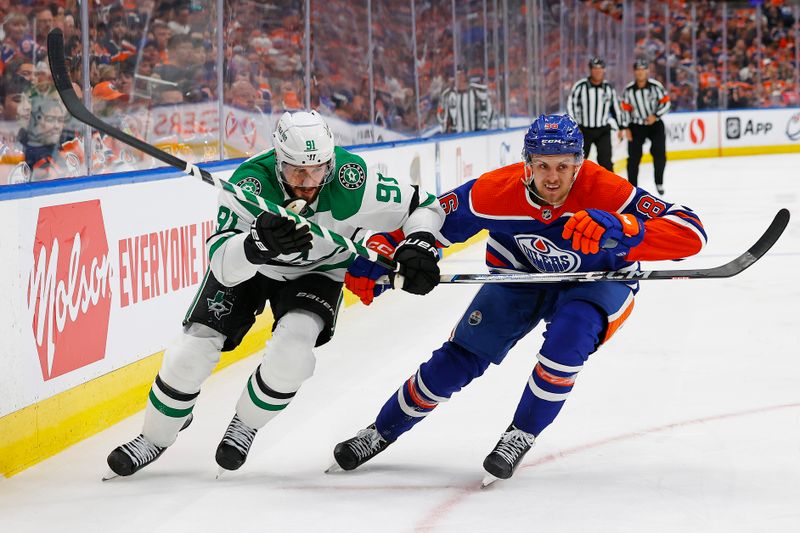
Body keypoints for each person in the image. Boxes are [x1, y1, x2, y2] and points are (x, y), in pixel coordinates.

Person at [331, 114, 706, 483]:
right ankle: (380, 431)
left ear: (580, 163)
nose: (553, 177)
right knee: (457, 359)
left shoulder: (607, 190)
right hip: (519, 279)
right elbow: (427, 222)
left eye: (563, 166)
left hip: (595, 283)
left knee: (569, 338)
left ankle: (520, 433)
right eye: (542, 165)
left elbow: (691, 232)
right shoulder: (494, 190)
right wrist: (383, 253)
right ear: (525, 163)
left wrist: (624, 228)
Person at [106, 110, 446, 477]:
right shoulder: (250, 185)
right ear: (278, 160)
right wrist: (254, 246)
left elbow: (423, 206)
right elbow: (221, 262)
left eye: (317, 170)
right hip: (251, 266)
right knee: (190, 353)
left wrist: (421, 242)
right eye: (297, 171)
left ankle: (246, 424)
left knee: (292, 356)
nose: (308, 183)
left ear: (331, 162)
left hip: (317, 271)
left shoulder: (351, 181)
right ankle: (155, 437)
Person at [619, 59, 671, 195]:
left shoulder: (656, 86)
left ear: (647, 71)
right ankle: (632, 189)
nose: (641, 72)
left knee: (659, 153)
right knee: (634, 158)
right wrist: (626, 128)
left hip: (655, 124)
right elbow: (624, 110)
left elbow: (666, 103)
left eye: (643, 69)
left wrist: (656, 115)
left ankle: (659, 182)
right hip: (636, 126)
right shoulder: (629, 90)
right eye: (638, 70)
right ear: (635, 72)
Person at [566, 56, 623, 171]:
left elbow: (615, 108)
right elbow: (571, 106)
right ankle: (576, 187)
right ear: (590, 70)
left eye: (600, 68)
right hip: (583, 130)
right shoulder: (580, 86)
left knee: (606, 161)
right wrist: (575, 126)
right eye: (595, 68)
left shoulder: (608, 88)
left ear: (604, 70)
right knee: (578, 162)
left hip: (603, 130)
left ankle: (608, 188)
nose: (597, 71)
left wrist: (621, 127)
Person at [437, 65, 493, 133]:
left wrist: (483, 127)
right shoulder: (447, 94)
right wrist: (446, 127)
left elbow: (489, 109)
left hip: (476, 135)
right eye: (457, 74)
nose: (460, 76)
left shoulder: (478, 90)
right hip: (454, 137)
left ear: (466, 75)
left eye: (462, 73)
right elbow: (440, 114)